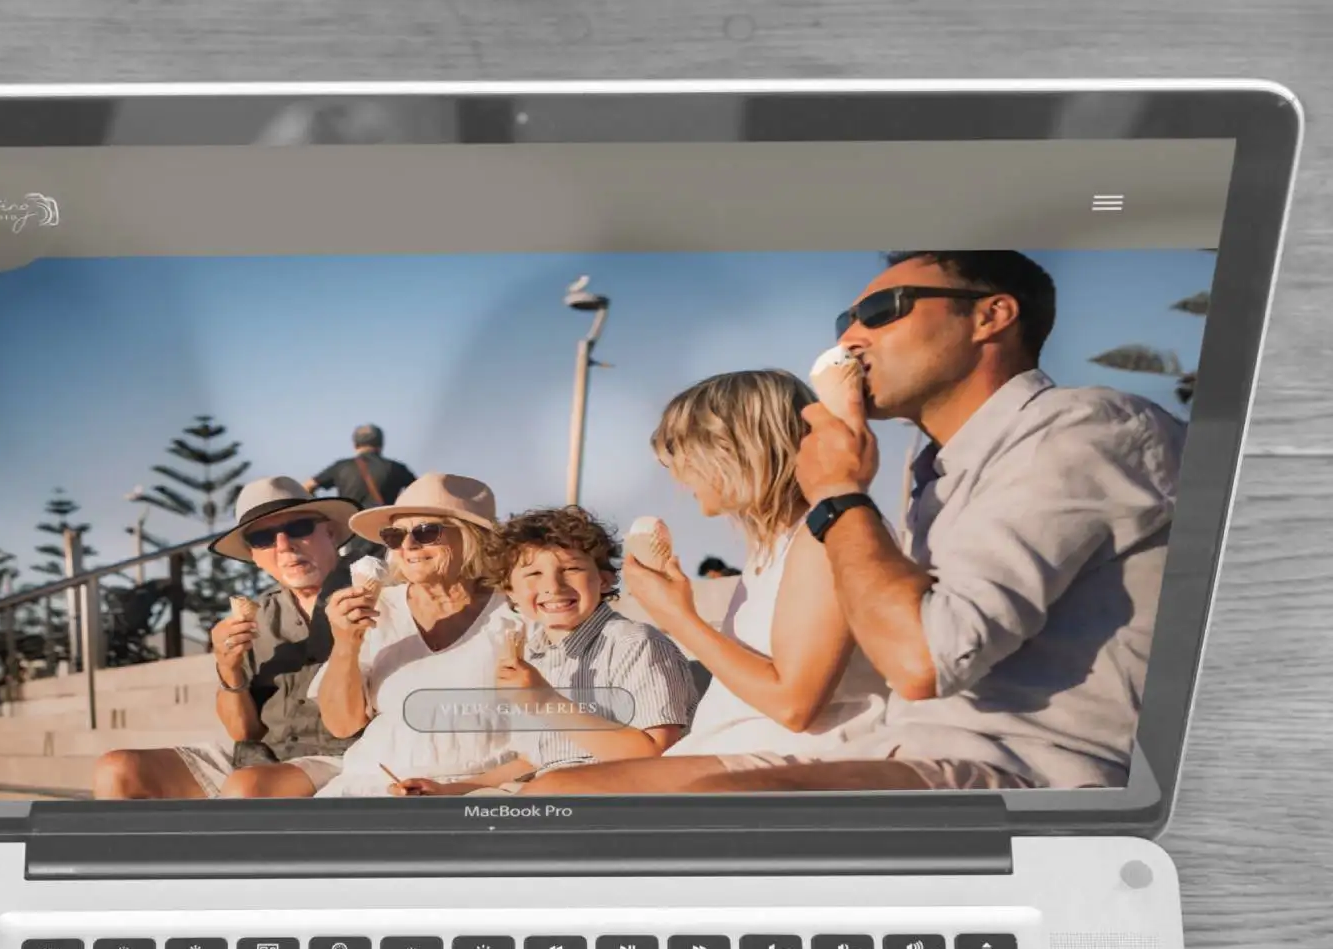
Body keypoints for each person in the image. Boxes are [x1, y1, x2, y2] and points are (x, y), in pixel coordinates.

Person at [743, 248, 1182, 793]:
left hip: (1036, 770)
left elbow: (920, 661)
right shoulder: (930, 470)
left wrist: (838, 491)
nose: (849, 339)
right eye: (845, 321)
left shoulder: (1085, 427)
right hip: (906, 748)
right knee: (606, 799)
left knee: (710, 815)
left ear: (991, 316)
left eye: (882, 310)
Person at [522, 369, 884, 795]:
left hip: (798, 754)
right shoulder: (773, 550)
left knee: (552, 796)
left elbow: (793, 705)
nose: (677, 476)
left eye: (681, 456)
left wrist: (678, 617)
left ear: (731, 450)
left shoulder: (821, 537)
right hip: (739, 749)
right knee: (541, 795)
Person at [386, 507, 693, 795]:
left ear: (604, 579)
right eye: (533, 575)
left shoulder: (635, 643)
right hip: (545, 794)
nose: (553, 586)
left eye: (571, 569)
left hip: (613, 800)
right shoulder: (534, 654)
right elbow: (533, 761)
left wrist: (546, 700)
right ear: (510, 591)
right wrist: (449, 790)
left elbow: (654, 753)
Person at [88, 475, 361, 800]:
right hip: (262, 759)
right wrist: (229, 669)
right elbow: (243, 732)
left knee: (247, 788)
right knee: (117, 770)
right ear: (254, 556)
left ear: (329, 532)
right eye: (263, 538)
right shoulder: (257, 617)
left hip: (346, 756)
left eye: (299, 527)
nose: (284, 545)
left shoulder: (373, 593)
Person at [309, 472, 525, 797]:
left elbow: (551, 733)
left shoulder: (516, 611)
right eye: (395, 536)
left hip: (483, 788)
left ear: (471, 537)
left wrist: (463, 788)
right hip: (378, 782)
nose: (408, 546)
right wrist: (344, 643)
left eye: (426, 532)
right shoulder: (378, 609)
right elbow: (342, 725)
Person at [309, 424, 417, 558]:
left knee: (351, 574)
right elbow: (419, 491)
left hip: (351, 532)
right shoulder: (396, 468)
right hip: (385, 535)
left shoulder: (340, 467)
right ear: (381, 443)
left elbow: (307, 487)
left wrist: (322, 514)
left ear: (355, 444)